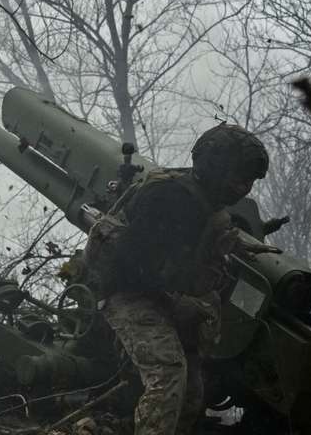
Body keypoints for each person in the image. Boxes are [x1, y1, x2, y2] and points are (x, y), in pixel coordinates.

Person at [84, 123, 273, 435]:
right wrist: (177, 301)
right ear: (214, 167)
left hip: (167, 300)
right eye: (239, 177)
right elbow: (129, 264)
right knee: (168, 373)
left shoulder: (211, 209)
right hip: (129, 295)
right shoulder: (167, 197)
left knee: (191, 393)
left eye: (249, 181)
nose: (243, 188)